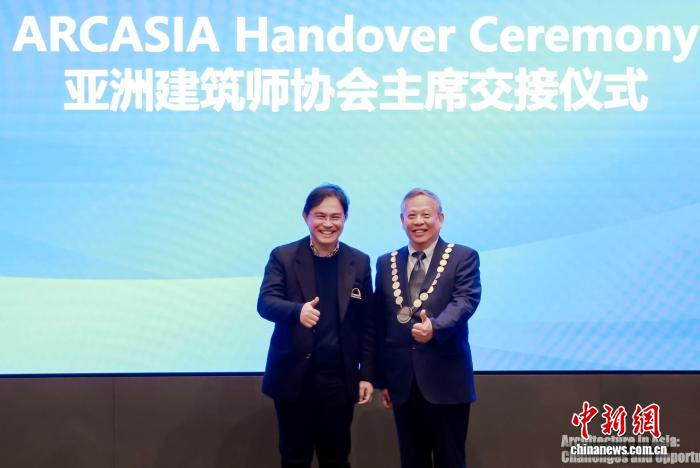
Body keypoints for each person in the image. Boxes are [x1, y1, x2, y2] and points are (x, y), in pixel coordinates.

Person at [257, 184, 375, 468]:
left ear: (345, 219)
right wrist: (297, 311)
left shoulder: (359, 262)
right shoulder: (284, 256)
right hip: (294, 377)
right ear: (306, 217)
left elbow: (368, 323)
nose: (328, 224)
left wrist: (367, 375)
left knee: (336, 459)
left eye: (335, 217)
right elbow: (266, 302)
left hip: (338, 380)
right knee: (294, 458)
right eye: (320, 216)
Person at [375, 188, 482, 468]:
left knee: (450, 460)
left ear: (440, 219)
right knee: (412, 461)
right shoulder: (386, 263)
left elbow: (465, 301)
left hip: (446, 380)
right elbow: (381, 322)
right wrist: (382, 378)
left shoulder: (463, 257)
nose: (419, 222)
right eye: (412, 215)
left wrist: (435, 328)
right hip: (402, 384)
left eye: (426, 215)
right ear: (402, 220)